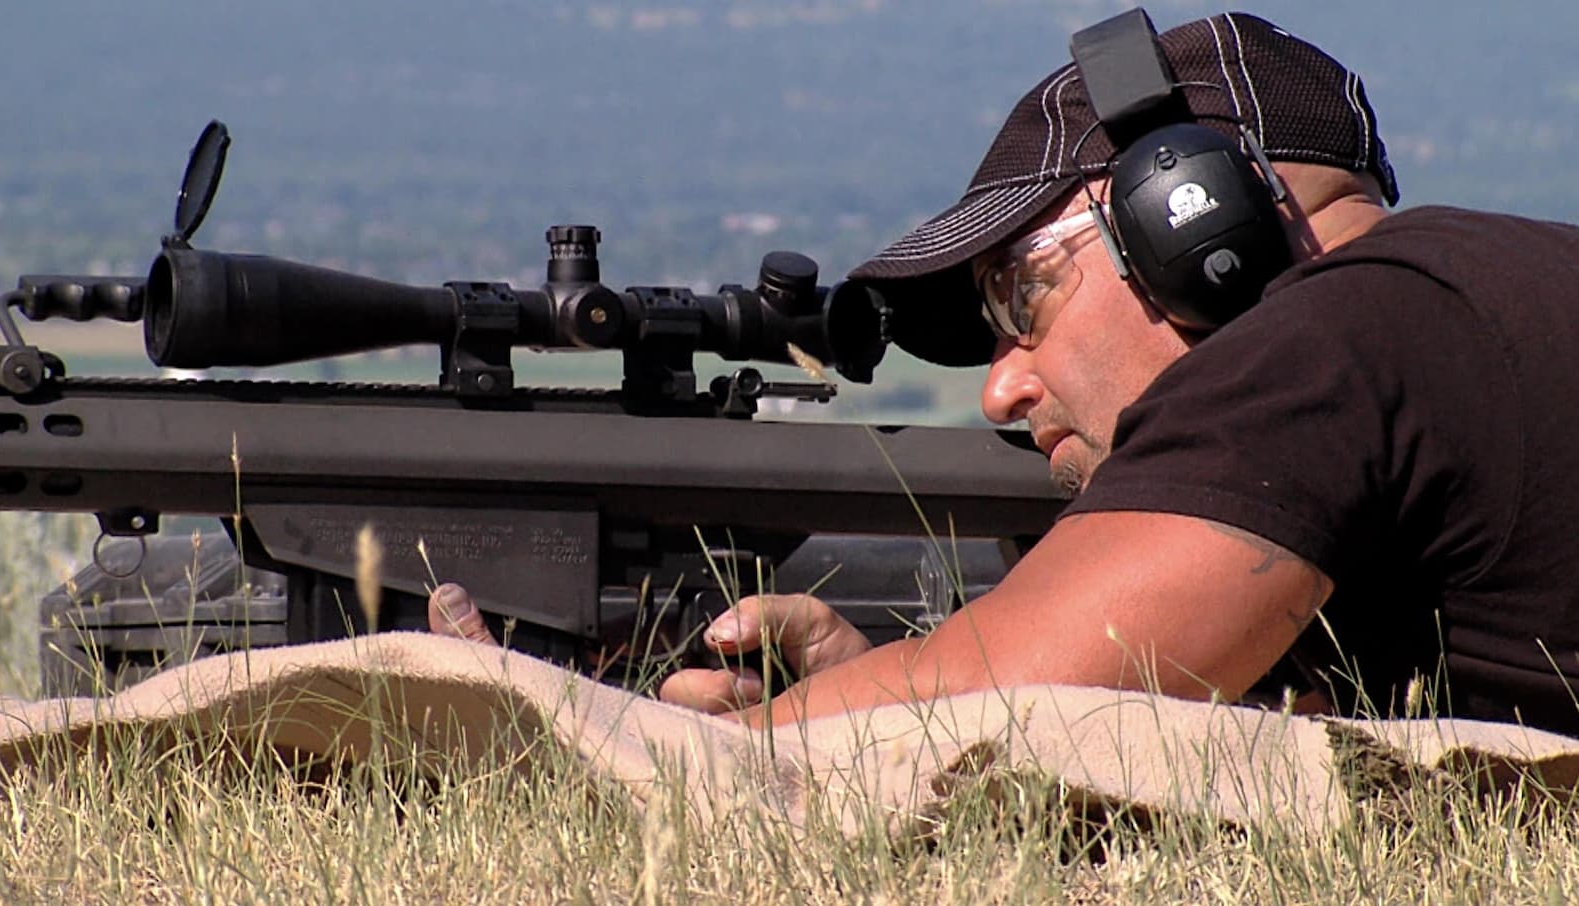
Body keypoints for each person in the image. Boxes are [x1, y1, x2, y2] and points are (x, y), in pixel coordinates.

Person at [431, 10, 1579, 737]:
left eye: (1021, 298)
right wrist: (888, 687)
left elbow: (1026, 703)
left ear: (1191, 222)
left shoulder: (1336, 332)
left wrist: (621, 739)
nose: (1000, 390)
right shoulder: (1460, 313)